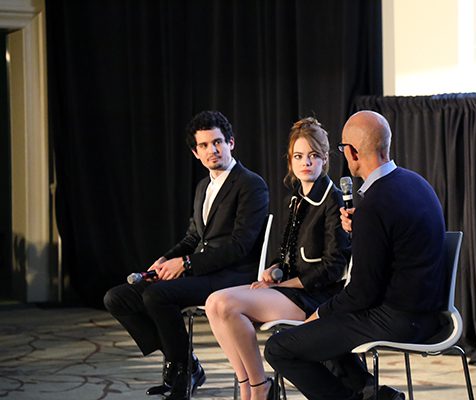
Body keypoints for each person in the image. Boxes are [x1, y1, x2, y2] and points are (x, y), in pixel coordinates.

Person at [264, 110, 448, 400]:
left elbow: (362, 293)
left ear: (351, 152)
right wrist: (359, 231)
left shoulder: (375, 203)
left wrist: (319, 314)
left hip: (397, 319)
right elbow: (397, 253)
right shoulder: (416, 183)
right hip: (430, 315)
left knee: (279, 348)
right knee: (325, 336)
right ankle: (375, 395)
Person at [103, 111, 269, 400]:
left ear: (231, 143)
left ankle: (180, 371)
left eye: (217, 142)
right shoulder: (203, 186)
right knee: (117, 298)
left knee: (157, 296)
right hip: (201, 271)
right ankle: (187, 363)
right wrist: (166, 260)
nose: (212, 150)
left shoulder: (250, 184)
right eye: (204, 145)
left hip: (231, 276)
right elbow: (194, 238)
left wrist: (187, 263)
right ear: (195, 152)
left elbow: (240, 246)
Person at [205, 117, 351, 400]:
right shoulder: (296, 199)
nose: (306, 162)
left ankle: (260, 388)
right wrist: (274, 270)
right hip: (290, 291)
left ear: (324, 159)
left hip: (316, 298)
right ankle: (249, 386)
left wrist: (285, 284)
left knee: (226, 305)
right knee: (213, 304)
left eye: (313, 156)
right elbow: (286, 253)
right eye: (298, 156)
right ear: (290, 161)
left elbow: (333, 268)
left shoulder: (333, 200)